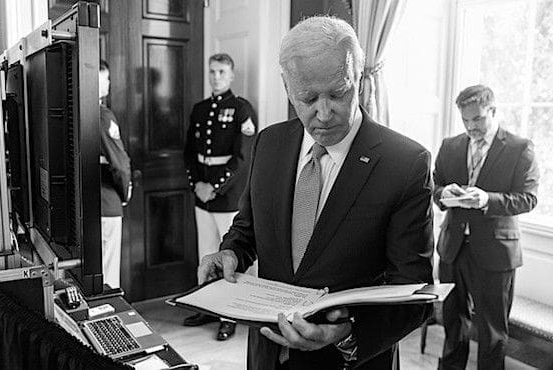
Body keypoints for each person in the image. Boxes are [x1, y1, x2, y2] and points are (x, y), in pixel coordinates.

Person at [197, 16, 434, 369]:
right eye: (307, 98)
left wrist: (348, 334)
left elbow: (415, 292)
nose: (323, 114)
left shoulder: (405, 163)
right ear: (286, 86)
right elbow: (247, 230)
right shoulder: (270, 142)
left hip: (349, 360)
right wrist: (230, 252)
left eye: (338, 93)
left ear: (359, 79)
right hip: (268, 354)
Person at [434, 85, 539, 370]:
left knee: (492, 332)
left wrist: (486, 199)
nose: (471, 127)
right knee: (452, 324)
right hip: (452, 250)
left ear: (493, 111)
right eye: (465, 120)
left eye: (478, 119)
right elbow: (435, 187)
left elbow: (528, 198)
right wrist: (444, 194)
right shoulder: (450, 146)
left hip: (496, 253)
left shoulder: (520, 148)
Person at [183, 53, 257, 340]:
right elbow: (190, 152)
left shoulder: (241, 109)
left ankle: (229, 315)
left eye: (222, 71)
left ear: (231, 75)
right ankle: (207, 307)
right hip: (202, 194)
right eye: (212, 71)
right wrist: (197, 184)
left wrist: (215, 186)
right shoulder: (199, 109)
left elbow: (242, 157)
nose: (216, 76)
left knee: (228, 255)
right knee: (206, 254)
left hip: (226, 196)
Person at [99, 60, 132, 289]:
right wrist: (125, 192)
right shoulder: (103, 115)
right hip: (106, 199)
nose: (109, 83)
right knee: (108, 276)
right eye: (106, 77)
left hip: (88, 204)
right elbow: (120, 165)